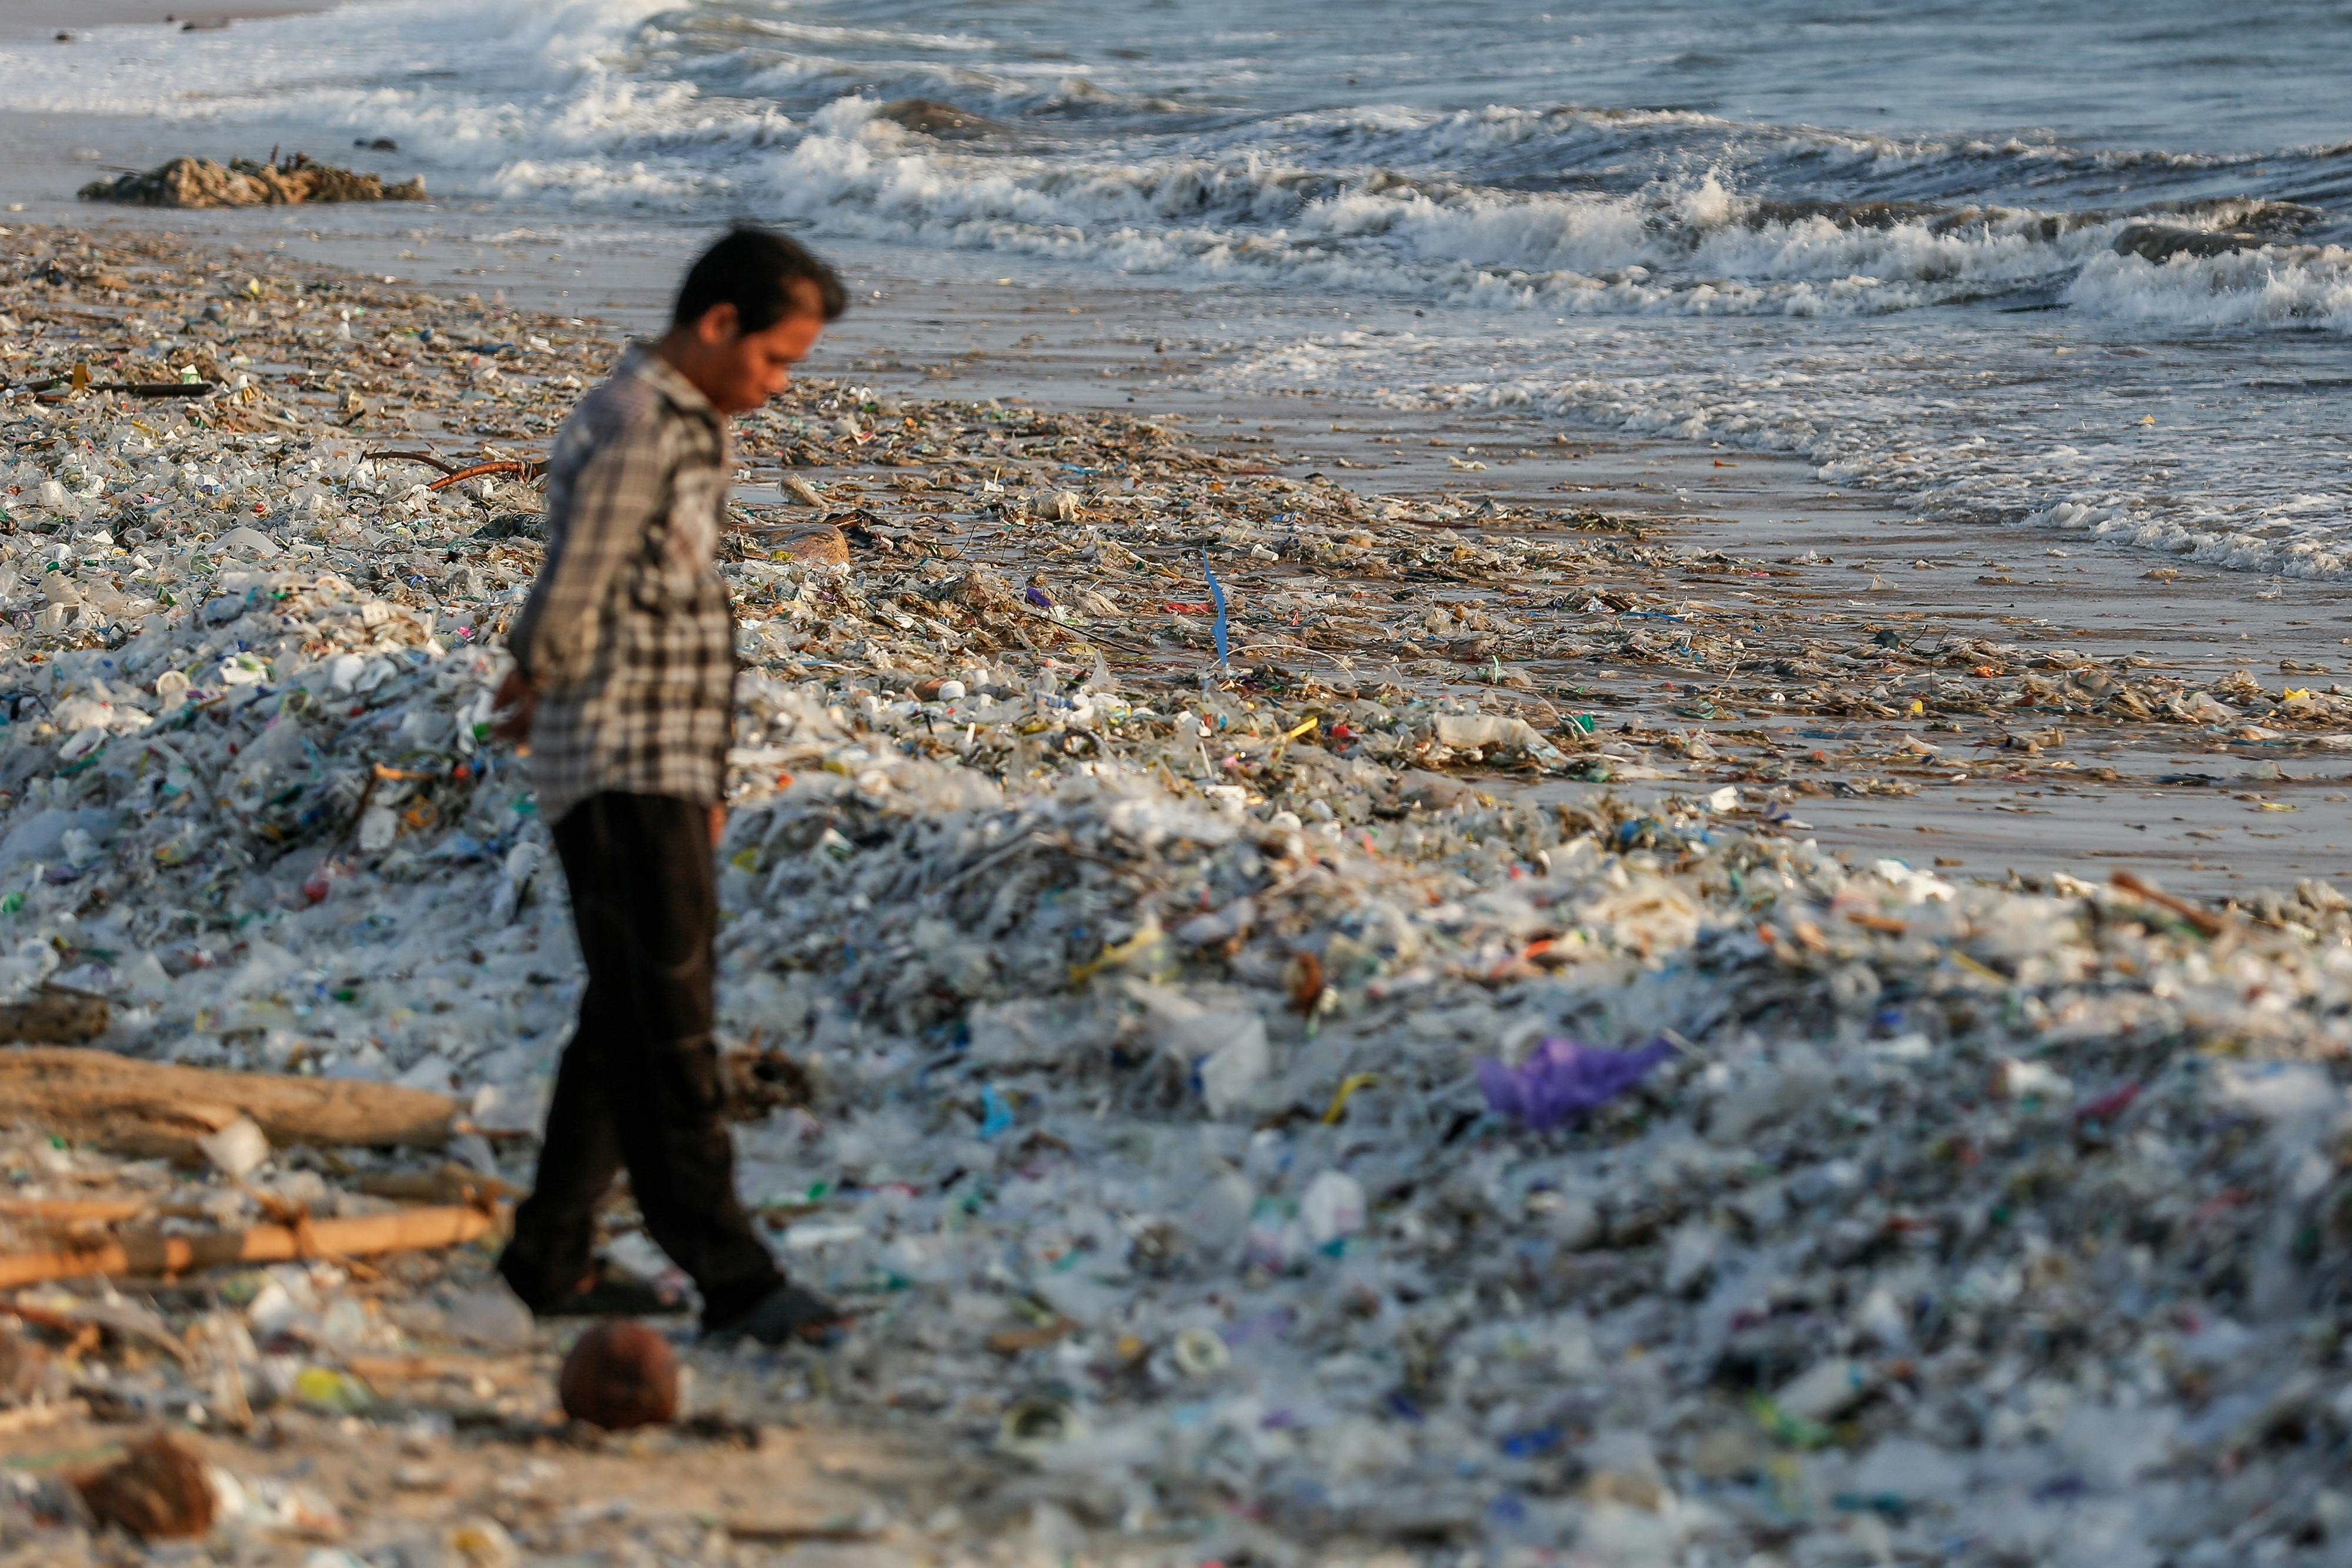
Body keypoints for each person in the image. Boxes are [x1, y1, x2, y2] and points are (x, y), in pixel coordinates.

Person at [490, 226, 849, 1346]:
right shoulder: (650, 424)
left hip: (659, 756)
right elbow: (580, 574)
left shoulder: (670, 420)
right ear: (717, 325)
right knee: (674, 1025)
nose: (779, 387)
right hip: (622, 752)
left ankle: (548, 1258)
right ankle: (734, 1277)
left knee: (623, 1011)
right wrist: (534, 674)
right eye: (777, 360)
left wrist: (705, 774)